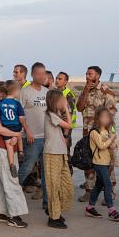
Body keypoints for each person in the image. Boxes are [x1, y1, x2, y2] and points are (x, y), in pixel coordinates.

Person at [0, 82, 28, 228]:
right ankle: (14, 215)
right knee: (12, 181)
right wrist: (16, 133)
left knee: (4, 180)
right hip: (1, 149)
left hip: (8, 148)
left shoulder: (2, 107)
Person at [76, 66, 117, 202]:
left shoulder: (106, 91)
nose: (87, 76)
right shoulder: (85, 90)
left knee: (106, 163)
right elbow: (79, 108)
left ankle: (109, 192)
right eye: (86, 74)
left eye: (90, 74)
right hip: (88, 133)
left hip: (103, 133)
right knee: (88, 161)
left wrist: (108, 134)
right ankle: (89, 190)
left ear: (98, 75)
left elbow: (111, 114)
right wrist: (85, 91)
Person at [84, 108, 119, 222]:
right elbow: (101, 145)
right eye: (103, 117)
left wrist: (112, 141)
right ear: (97, 119)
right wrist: (110, 140)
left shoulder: (107, 130)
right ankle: (111, 210)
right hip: (98, 163)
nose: (106, 119)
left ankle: (90, 207)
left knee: (98, 185)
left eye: (108, 117)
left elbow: (113, 145)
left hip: (106, 162)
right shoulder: (94, 132)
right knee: (108, 184)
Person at [43, 90, 74, 229]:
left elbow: (66, 130)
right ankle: (53, 217)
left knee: (65, 184)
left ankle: (55, 211)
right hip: (52, 153)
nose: (64, 102)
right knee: (53, 186)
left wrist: (65, 111)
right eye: (62, 100)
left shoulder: (56, 115)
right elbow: (69, 125)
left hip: (60, 152)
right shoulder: (50, 115)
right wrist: (67, 109)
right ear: (56, 101)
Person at [18, 62, 47, 210]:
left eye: (44, 73)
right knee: (27, 167)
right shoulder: (25, 92)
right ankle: (12, 191)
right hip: (32, 138)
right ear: (33, 75)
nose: (42, 76)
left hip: (46, 138)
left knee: (46, 171)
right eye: (39, 74)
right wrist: (27, 130)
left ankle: (47, 203)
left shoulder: (46, 92)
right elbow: (19, 114)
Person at [0, 80, 28, 178]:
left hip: (6, 127)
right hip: (16, 126)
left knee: (9, 147)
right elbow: (21, 118)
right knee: (19, 137)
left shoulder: (1, 102)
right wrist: (23, 124)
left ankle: (11, 164)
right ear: (14, 91)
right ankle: (21, 152)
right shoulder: (17, 103)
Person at [55, 72, 77, 155]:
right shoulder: (54, 92)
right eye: (56, 78)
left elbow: (69, 116)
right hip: (56, 126)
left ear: (66, 81)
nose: (57, 80)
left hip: (65, 128)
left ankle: (68, 168)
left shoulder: (68, 94)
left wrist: (66, 135)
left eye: (60, 79)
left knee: (65, 152)